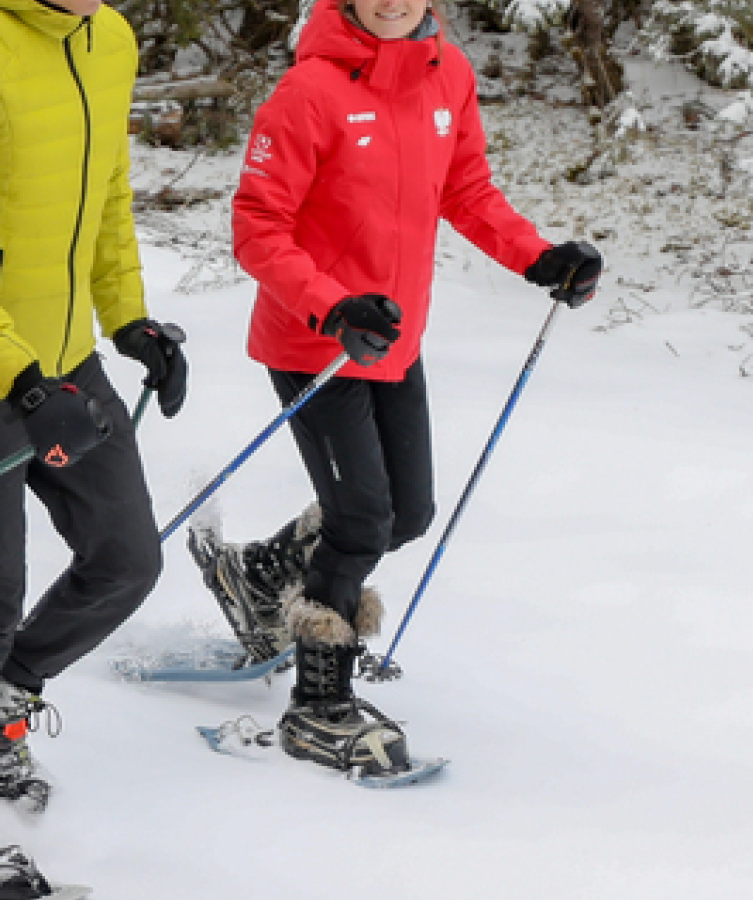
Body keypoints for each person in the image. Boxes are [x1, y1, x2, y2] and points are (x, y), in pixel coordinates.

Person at [188, 0, 603, 777]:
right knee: (361, 516)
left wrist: (538, 258)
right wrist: (332, 303)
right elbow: (258, 226)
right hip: (316, 338)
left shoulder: (448, 75)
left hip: (395, 338)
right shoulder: (308, 91)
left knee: (406, 513)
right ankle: (319, 709)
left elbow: (467, 189)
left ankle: (257, 575)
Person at [0, 0, 189, 896]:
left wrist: (128, 318)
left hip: (64, 358)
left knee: (128, 558)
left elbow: (109, 195)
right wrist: (18, 382)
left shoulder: (108, 39)